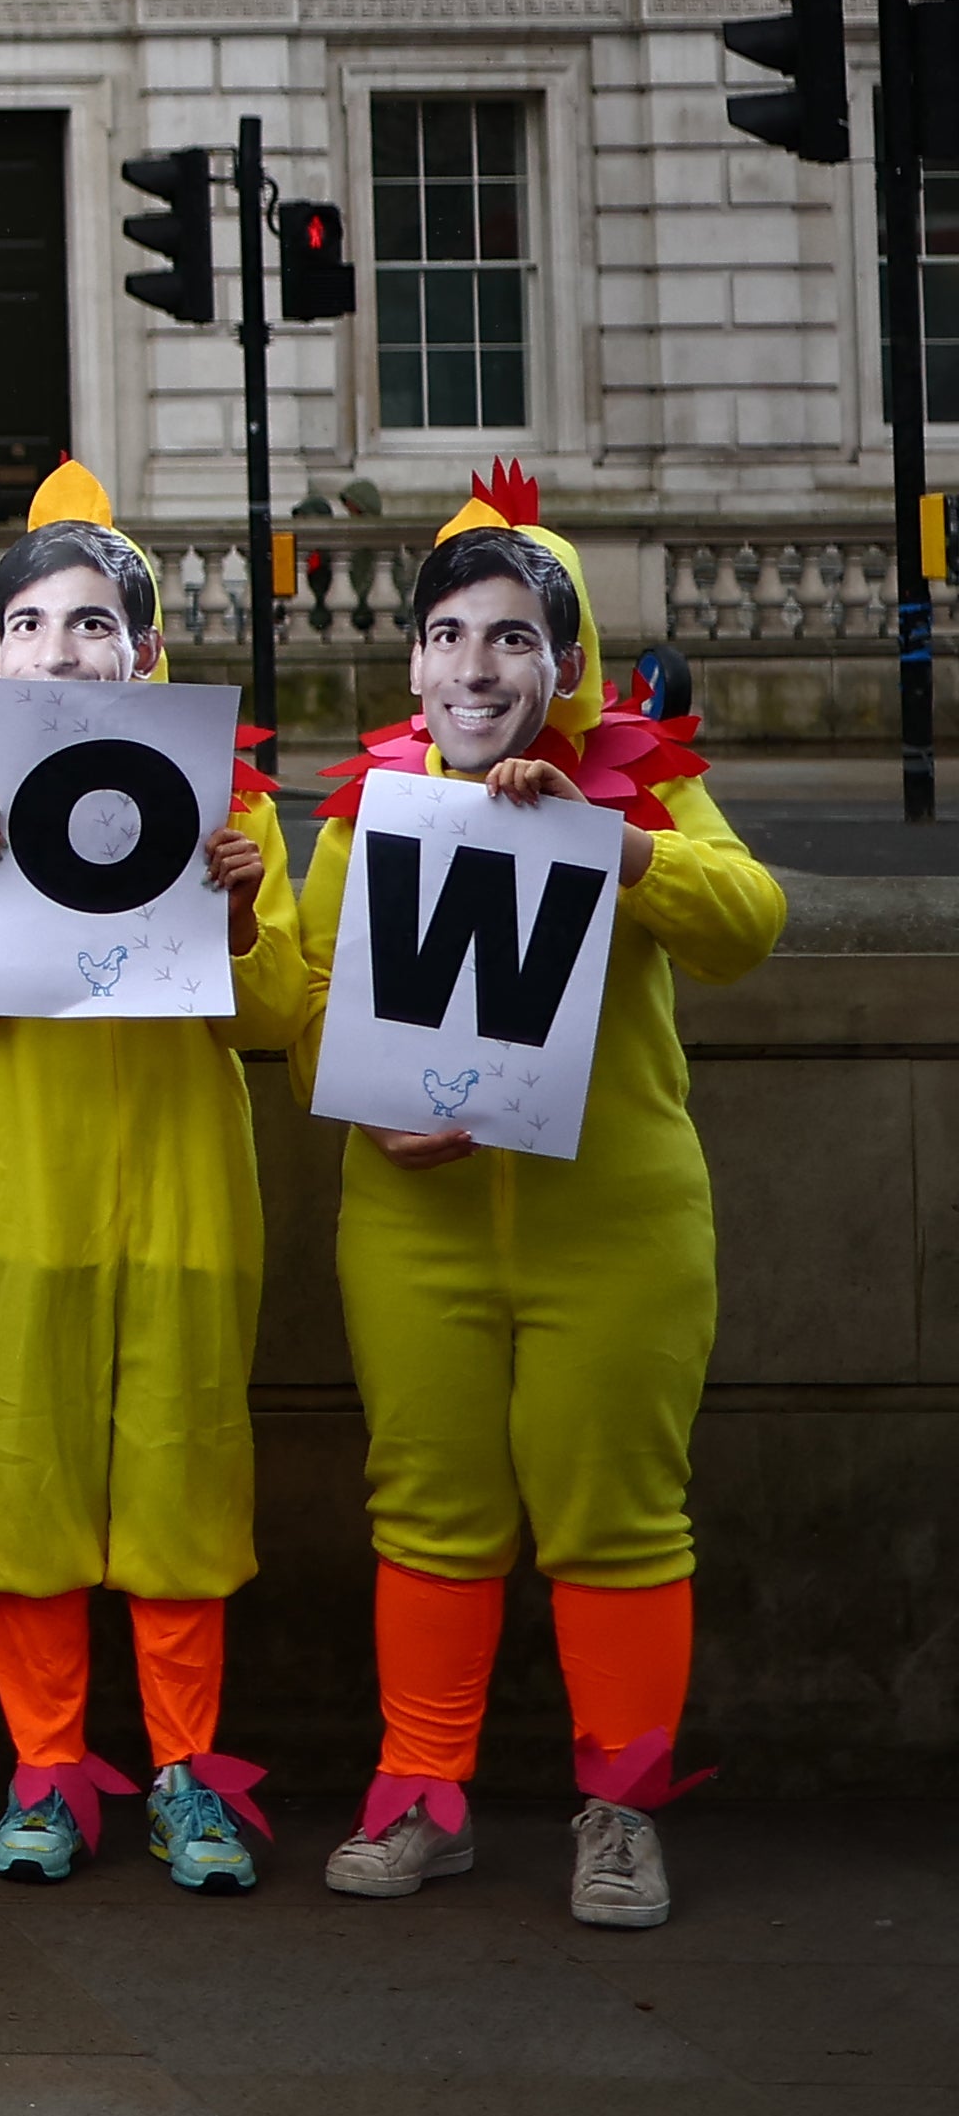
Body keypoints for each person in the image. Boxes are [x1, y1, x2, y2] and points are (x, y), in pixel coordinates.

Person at [301, 468, 782, 1933]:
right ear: (411, 665)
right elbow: (305, 988)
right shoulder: (364, 810)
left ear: (566, 665)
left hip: (616, 1227)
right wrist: (377, 1108)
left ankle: (621, 1815)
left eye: (513, 638)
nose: (476, 665)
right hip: (415, 1226)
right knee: (430, 1509)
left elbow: (749, 925)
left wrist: (618, 845)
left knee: (620, 1521)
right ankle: (421, 1795)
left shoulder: (644, 785)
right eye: (449, 636)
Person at [0, 464, 308, 1894]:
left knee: (184, 1479)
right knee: (21, 1475)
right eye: (29, 623)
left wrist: (250, 900)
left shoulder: (234, 797)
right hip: (13, 1198)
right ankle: (49, 1768)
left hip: (188, 1198)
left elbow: (282, 1020)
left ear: (147, 652)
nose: (61, 650)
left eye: (93, 625)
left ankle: (188, 1771)